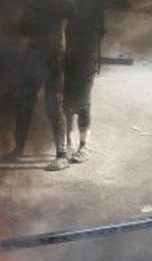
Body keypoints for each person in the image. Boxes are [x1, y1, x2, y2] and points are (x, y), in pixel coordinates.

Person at [10, 0, 76, 171]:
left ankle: (62, 155)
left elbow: (71, 10)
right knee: (25, 100)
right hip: (34, 52)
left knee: (54, 104)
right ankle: (19, 148)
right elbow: (23, 26)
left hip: (53, 54)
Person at [63, 0, 105, 164]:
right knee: (65, 101)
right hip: (68, 53)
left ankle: (83, 146)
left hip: (86, 54)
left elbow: (99, 31)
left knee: (83, 102)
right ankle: (68, 143)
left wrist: (94, 59)